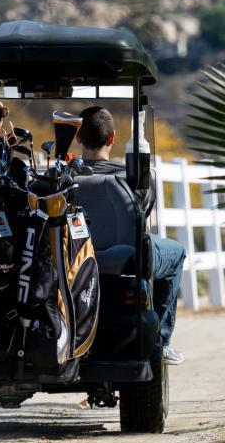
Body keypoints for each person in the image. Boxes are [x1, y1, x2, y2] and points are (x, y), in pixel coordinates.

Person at [76, 106, 186, 365]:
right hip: (122, 259)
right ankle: (163, 341)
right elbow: (144, 211)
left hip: (76, 259)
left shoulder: (63, 178)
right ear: (112, 138)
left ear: (78, 137)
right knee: (176, 252)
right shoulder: (129, 177)